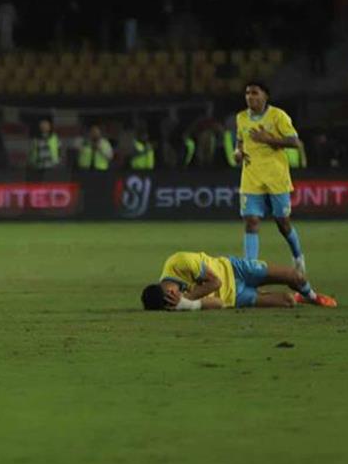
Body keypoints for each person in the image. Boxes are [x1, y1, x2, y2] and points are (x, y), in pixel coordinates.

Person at [233, 81, 310, 272]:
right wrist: (238, 152)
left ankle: (297, 255)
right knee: (251, 221)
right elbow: (240, 140)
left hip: (276, 178)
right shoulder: (241, 118)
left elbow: (295, 142)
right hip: (251, 178)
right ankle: (250, 268)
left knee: (282, 223)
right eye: (247, 93)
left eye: (255, 93)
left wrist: (269, 139)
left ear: (265, 96)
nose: (250, 96)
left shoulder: (278, 116)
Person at [140, 251, 337, 311]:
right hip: (236, 296)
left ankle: (312, 296)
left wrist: (188, 296)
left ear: (166, 290)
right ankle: (300, 297)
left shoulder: (179, 262)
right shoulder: (177, 304)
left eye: (172, 295)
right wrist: (187, 304)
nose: (175, 297)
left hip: (236, 270)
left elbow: (215, 283)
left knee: (296, 276)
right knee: (288, 302)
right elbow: (218, 302)